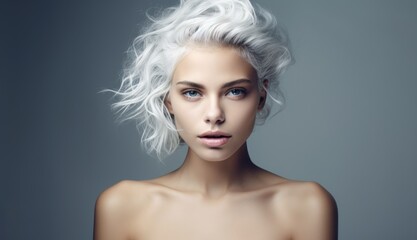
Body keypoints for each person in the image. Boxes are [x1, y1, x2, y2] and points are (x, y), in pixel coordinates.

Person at [94, 0, 338, 239]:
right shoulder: (122, 207)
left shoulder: (307, 207)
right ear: (168, 100)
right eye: (192, 93)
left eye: (235, 91)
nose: (214, 114)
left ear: (261, 96)